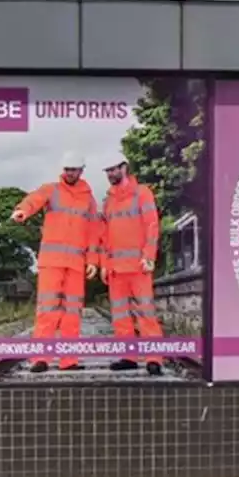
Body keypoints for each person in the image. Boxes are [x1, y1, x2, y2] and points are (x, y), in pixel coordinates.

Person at [10, 152, 102, 372]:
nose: (70, 173)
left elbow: (93, 232)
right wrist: (22, 210)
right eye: (67, 169)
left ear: (81, 170)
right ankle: (40, 358)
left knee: (72, 312)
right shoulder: (52, 190)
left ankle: (68, 360)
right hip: (52, 262)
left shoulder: (88, 200)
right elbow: (34, 199)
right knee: (47, 309)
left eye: (74, 170)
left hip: (76, 264)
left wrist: (92, 260)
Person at [99, 154, 165, 376]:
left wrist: (149, 255)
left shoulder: (142, 193)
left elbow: (151, 226)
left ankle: (153, 358)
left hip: (138, 266)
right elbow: (104, 236)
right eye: (107, 171)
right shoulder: (107, 201)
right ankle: (128, 356)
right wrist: (104, 264)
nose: (110, 174)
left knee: (145, 312)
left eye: (113, 169)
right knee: (120, 315)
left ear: (124, 167)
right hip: (116, 270)